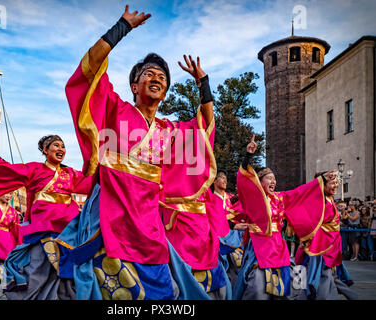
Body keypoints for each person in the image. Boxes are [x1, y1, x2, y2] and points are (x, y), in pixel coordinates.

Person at [60, 5, 216, 300]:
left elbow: (205, 128)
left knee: (161, 291)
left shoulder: (170, 130)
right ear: (135, 85)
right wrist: (122, 27)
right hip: (110, 211)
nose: (156, 78)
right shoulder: (115, 108)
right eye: (148, 74)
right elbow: (90, 68)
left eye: (162, 77)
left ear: (166, 90)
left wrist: (203, 84)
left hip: (148, 219)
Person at [0, 133, 93, 300]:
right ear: (45, 150)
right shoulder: (35, 169)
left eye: (63, 146)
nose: (61, 149)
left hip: (67, 230)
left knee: (70, 273)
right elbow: (6, 169)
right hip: (40, 230)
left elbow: (92, 183)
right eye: (56, 145)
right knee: (36, 273)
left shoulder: (70, 174)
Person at [232, 135, 335, 300]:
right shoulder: (254, 198)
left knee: (289, 280)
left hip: (277, 244)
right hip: (259, 244)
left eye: (274, 179)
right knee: (258, 283)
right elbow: (243, 182)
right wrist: (248, 157)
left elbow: (299, 193)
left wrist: (320, 181)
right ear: (259, 182)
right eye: (269, 178)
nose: (274, 181)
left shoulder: (280, 197)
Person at [294, 174, 357, 300]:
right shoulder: (319, 201)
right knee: (319, 276)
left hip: (329, 247)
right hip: (319, 247)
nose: (336, 186)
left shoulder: (330, 199)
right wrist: (306, 239)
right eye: (332, 183)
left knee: (328, 277)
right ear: (323, 185)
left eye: (336, 183)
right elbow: (308, 221)